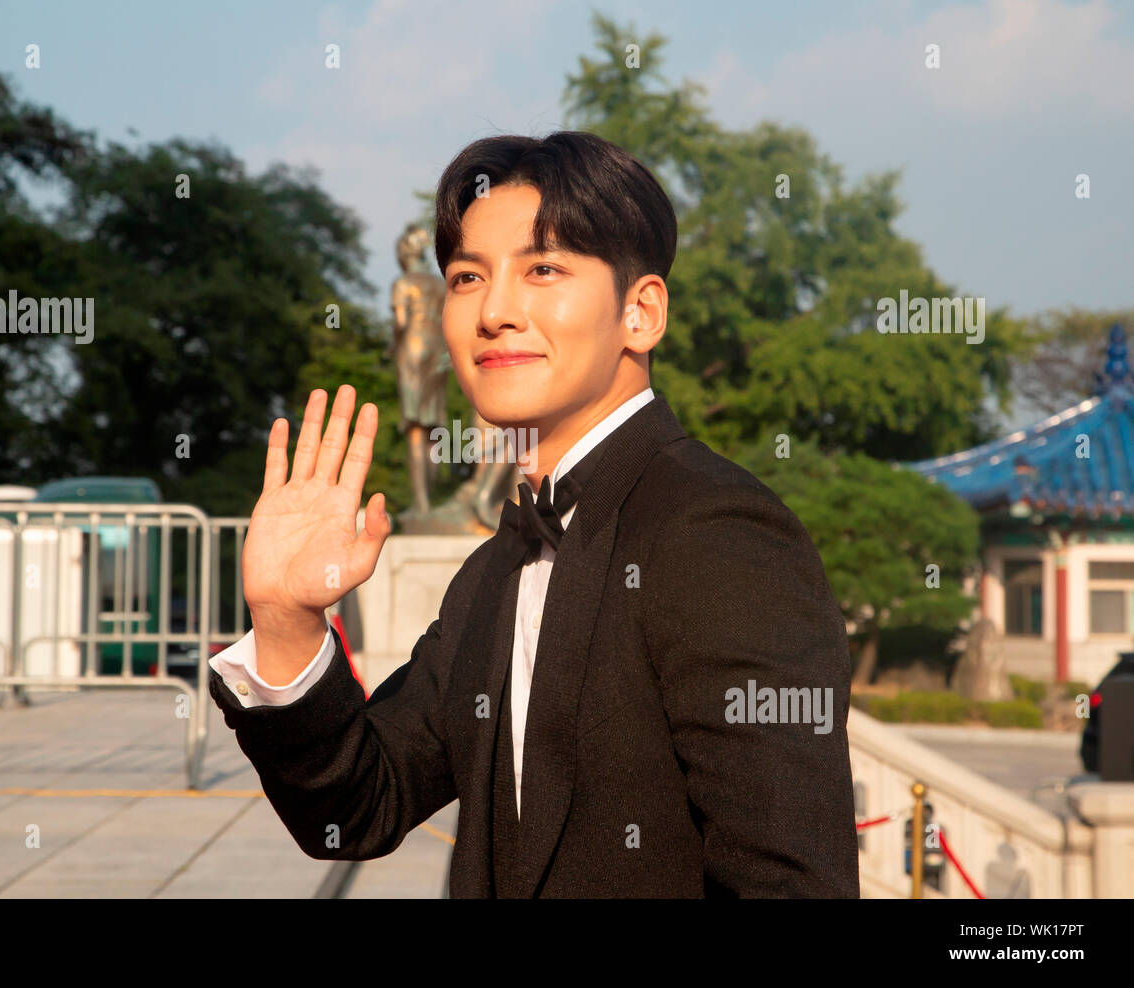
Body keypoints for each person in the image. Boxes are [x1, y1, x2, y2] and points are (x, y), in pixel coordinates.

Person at [208, 130, 860, 897]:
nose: (495, 311)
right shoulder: (497, 565)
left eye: (543, 268)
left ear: (641, 313)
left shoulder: (718, 532)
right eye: (467, 277)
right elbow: (358, 809)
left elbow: (788, 882)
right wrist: (286, 619)